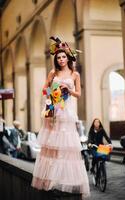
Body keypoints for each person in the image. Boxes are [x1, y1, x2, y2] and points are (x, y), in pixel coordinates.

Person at [31, 37, 90, 199]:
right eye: (58, 57)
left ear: (68, 58)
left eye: (63, 56)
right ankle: (51, 178)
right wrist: (53, 95)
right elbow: (44, 90)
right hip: (54, 112)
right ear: (56, 59)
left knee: (67, 147)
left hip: (68, 113)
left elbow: (78, 94)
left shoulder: (75, 74)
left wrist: (67, 90)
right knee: (52, 146)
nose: (61, 59)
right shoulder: (53, 73)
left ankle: (65, 179)